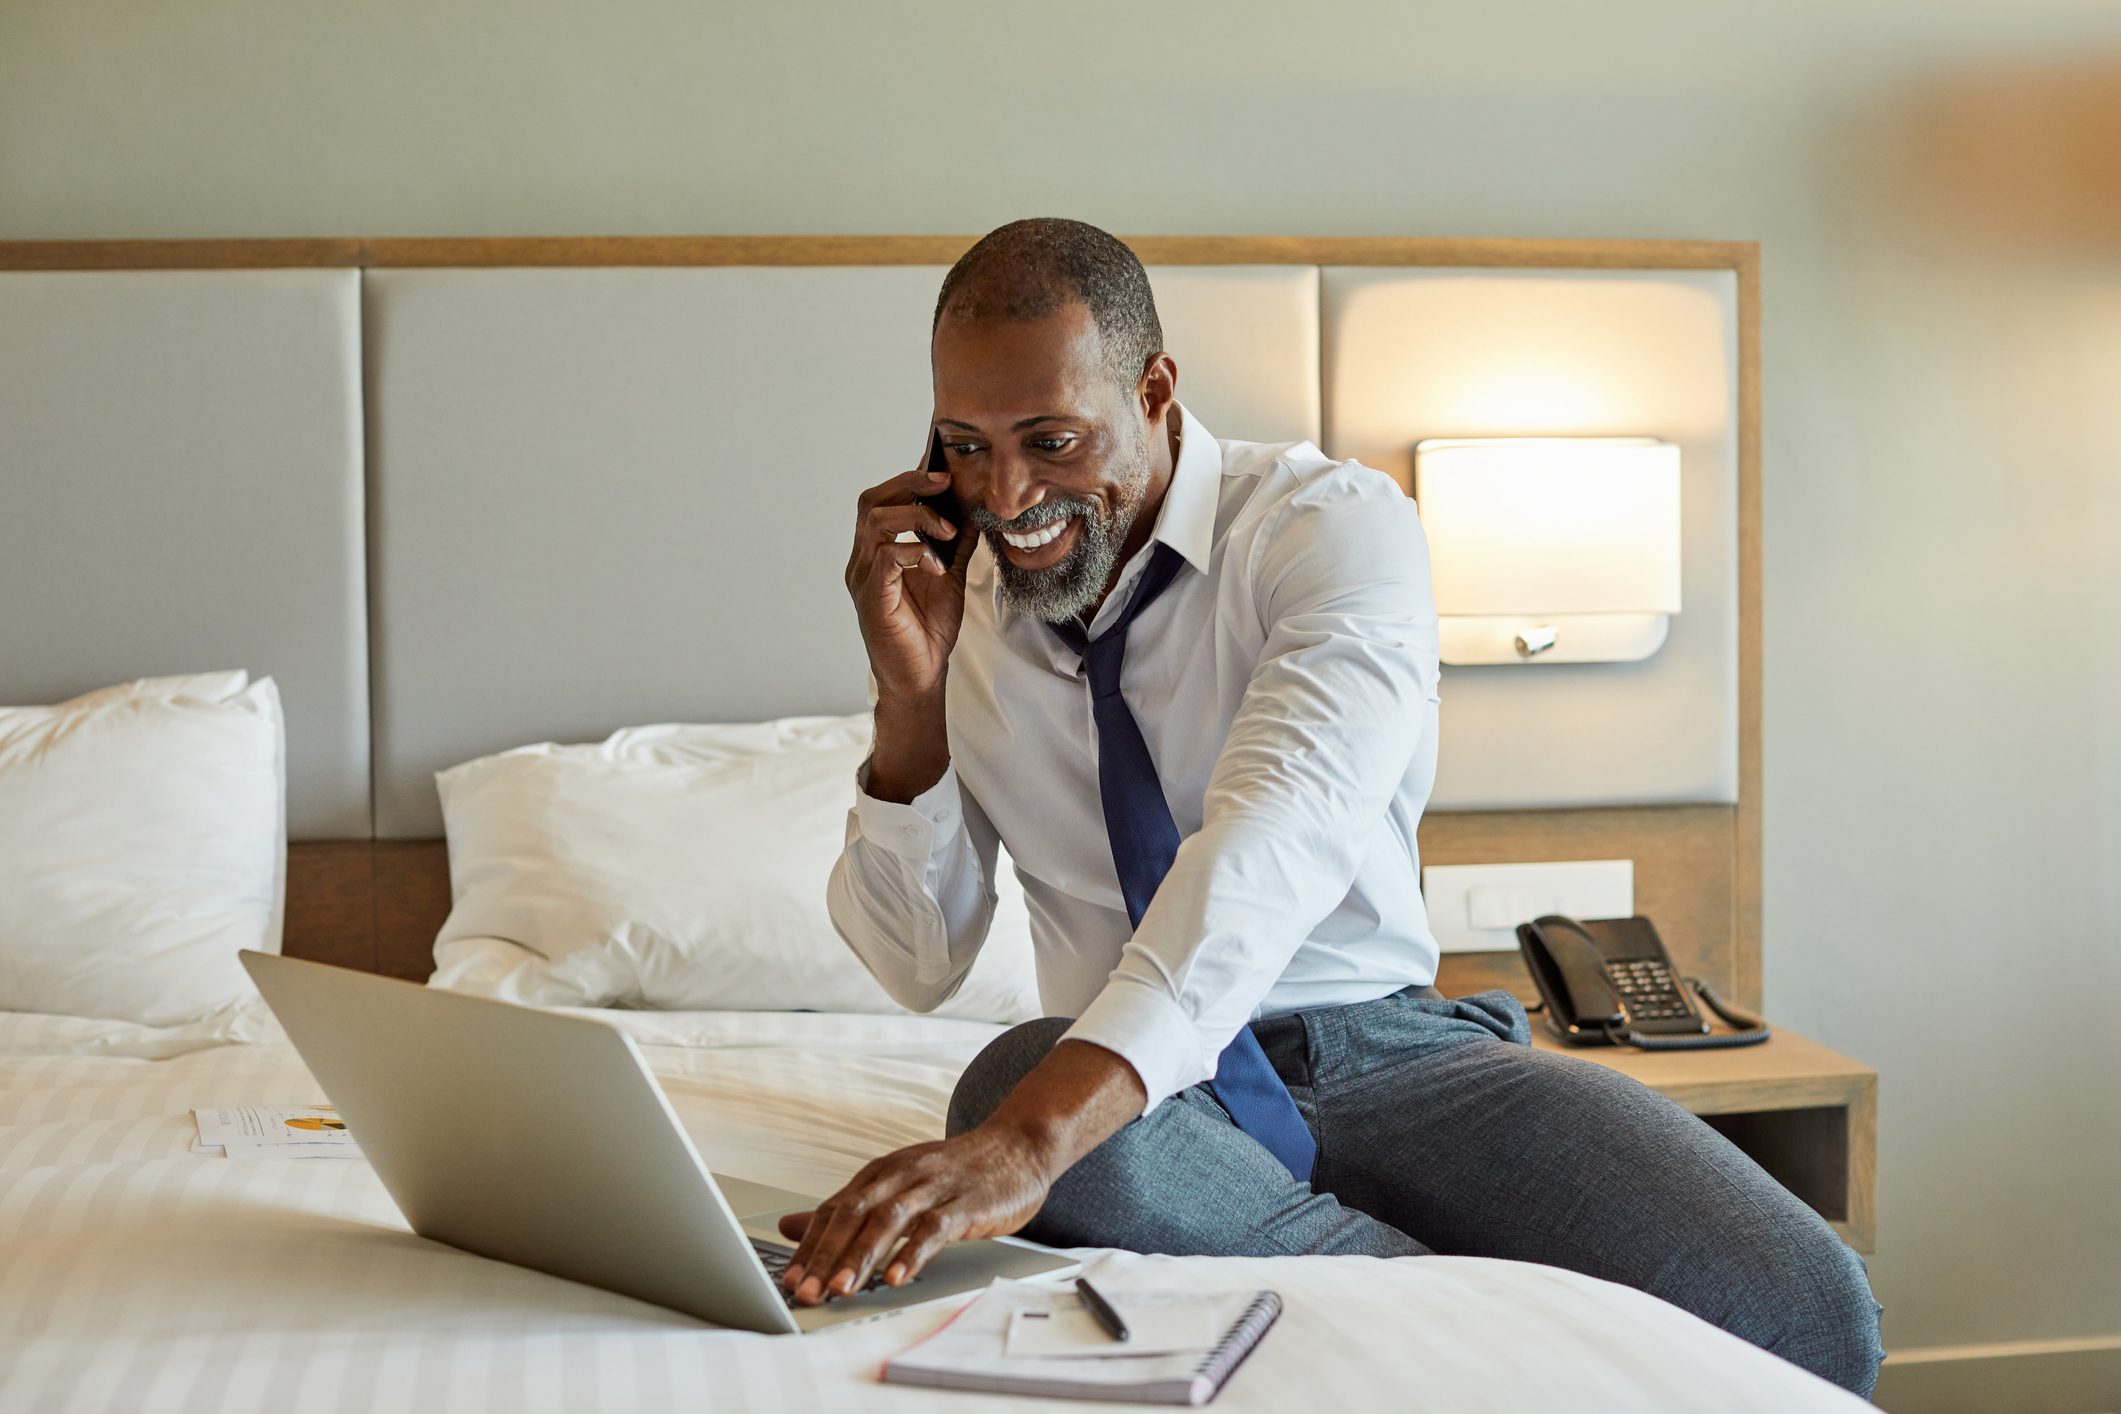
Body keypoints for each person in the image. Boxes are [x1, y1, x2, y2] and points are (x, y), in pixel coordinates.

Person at [779, 217, 1883, 1397]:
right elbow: (917, 963)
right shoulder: (965, 604)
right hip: (1147, 1110)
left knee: (1807, 1308)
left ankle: (1375, 1298)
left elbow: (1266, 850)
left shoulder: (1330, 530)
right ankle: (1499, 1341)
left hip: (1393, 1058)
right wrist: (911, 696)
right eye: (967, 446)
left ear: (1155, 390)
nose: (1007, 495)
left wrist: (1026, 1145)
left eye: (1051, 441)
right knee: (1009, 1069)